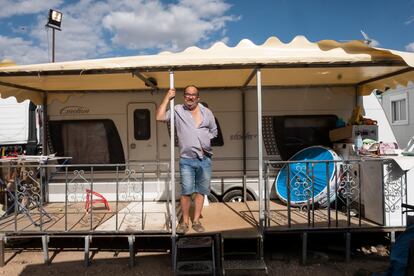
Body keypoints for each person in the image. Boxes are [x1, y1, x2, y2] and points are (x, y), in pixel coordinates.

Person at [156, 85, 217, 233]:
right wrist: (167, 97)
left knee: (201, 191)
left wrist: (204, 141)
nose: (190, 97)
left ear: (198, 97)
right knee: (186, 192)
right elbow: (159, 117)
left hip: (205, 159)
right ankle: (184, 222)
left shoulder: (207, 112)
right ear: (184, 96)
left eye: (193, 95)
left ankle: (196, 221)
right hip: (186, 160)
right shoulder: (177, 110)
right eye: (187, 94)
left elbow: (214, 131)